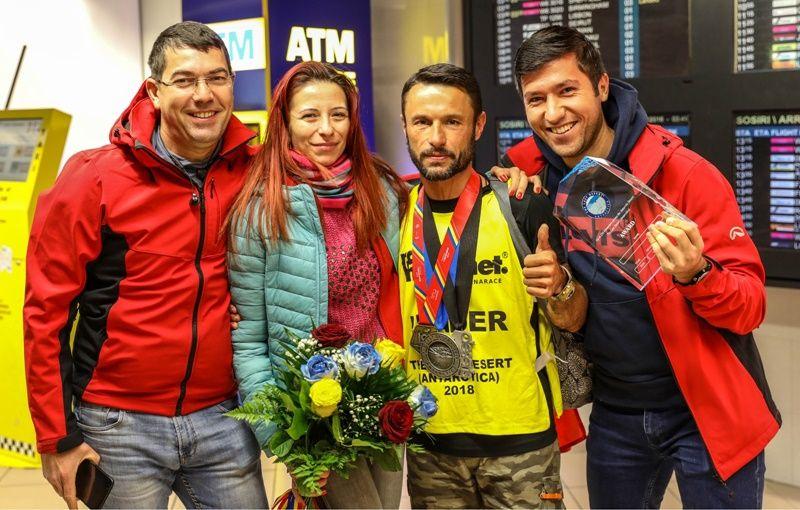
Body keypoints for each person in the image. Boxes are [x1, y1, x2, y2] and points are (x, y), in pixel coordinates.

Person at [507, 26, 780, 508]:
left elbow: (750, 307)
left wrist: (697, 274)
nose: (552, 113)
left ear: (602, 86)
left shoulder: (687, 175)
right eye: (536, 99)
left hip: (705, 410)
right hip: (616, 413)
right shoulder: (533, 179)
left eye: (567, 90)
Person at [24, 21, 268, 509]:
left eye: (217, 78)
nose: (204, 95)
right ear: (154, 92)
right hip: (118, 427)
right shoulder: (94, 177)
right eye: (185, 80)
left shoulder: (255, 171)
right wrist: (57, 437)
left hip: (225, 419)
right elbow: (45, 314)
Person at [397, 63, 588, 509]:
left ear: (478, 125)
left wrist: (560, 286)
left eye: (452, 122)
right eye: (422, 122)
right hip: (430, 441)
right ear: (404, 126)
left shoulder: (523, 204)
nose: (436, 138)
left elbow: (575, 319)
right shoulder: (393, 211)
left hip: (521, 441)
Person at [227, 61, 409, 509]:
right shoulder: (259, 209)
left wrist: (506, 178)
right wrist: (281, 435)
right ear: (285, 123)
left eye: (338, 115)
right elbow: (248, 340)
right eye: (310, 115)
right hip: (313, 414)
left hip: (381, 397)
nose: (326, 129)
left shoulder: (383, 191)